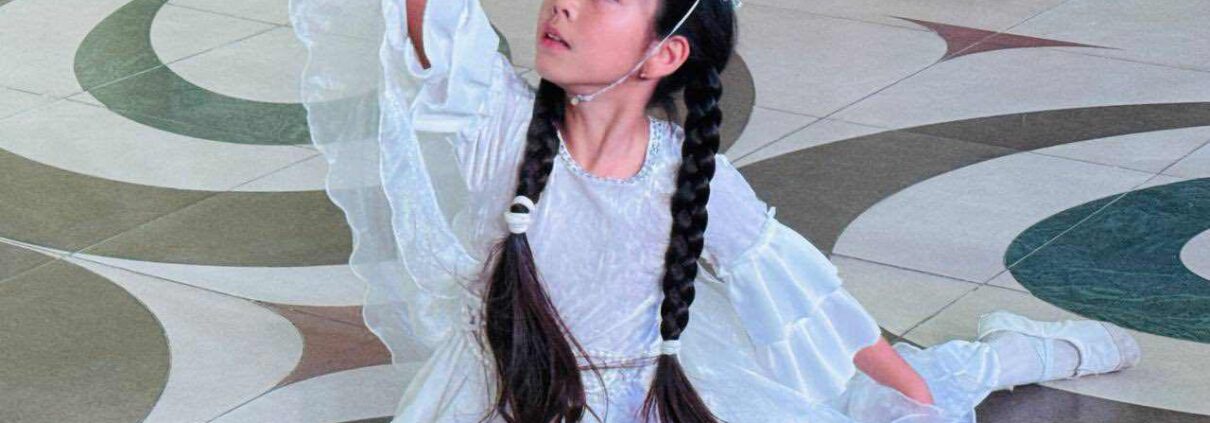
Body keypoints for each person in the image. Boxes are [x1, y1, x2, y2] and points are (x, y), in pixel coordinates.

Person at [289, 0, 1141, 421]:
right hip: (504, 395)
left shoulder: (687, 179)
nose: (563, 3)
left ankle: (1024, 349)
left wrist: (912, 391)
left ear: (664, 54)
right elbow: (432, 18)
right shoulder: (498, 124)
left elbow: (814, 304)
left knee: (898, 397)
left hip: (644, 397)